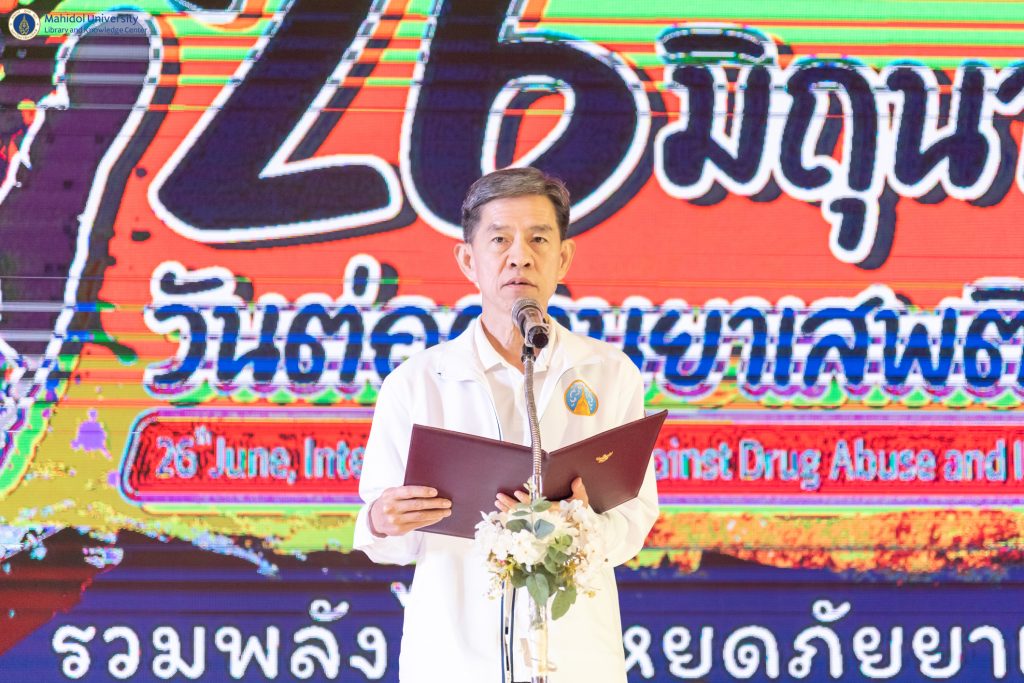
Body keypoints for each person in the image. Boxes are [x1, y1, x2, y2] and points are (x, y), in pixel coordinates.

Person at [354, 167, 659, 682]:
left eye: (539, 238)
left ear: (563, 257)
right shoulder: (418, 382)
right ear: (468, 260)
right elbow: (384, 537)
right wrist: (385, 520)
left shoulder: (608, 374)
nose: (520, 255)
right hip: (453, 660)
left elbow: (633, 524)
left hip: (575, 662)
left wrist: (578, 527)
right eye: (500, 239)